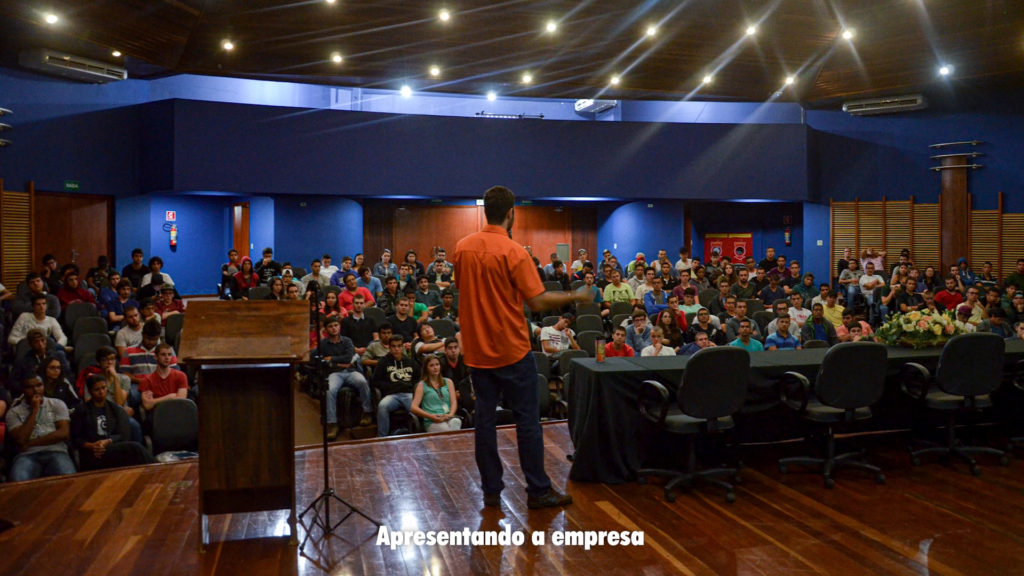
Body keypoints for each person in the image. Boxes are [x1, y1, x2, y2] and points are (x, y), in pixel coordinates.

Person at [453, 186, 591, 510]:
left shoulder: (461, 248)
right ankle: (538, 491)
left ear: (486, 210)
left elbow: (463, 288)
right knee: (527, 421)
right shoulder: (514, 252)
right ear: (511, 212)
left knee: (484, 421)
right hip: (512, 350)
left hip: (477, 352)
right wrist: (576, 296)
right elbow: (538, 300)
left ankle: (490, 492)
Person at [71, 375, 154, 471]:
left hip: (110, 447)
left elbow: (121, 434)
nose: (101, 392)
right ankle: (160, 468)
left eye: (103, 388)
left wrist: (107, 441)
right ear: (90, 392)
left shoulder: (114, 408)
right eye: (96, 389)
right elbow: (75, 438)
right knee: (135, 449)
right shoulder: (81, 410)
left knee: (135, 450)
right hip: (91, 452)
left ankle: (157, 471)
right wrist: (92, 446)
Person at [5, 375, 76, 482]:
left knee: (70, 478)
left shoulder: (57, 404)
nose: (36, 390)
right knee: (18, 479)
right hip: (27, 455)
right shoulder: (14, 412)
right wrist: (34, 410)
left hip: (56, 451)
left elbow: (63, 433)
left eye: (39, 385)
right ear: (23, 390)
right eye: (30, 387)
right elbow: (21, 439)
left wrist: (30, 444)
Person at [320, 317, 372, 438]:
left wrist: (331, 358)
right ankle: (332, 424)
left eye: (336, 325)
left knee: (363, 381)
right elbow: (320, 360)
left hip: (350, 371)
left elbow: (348, 358)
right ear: (326, 330)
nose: (334, 328)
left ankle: (368, 412)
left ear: (339, 327)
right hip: (334, 373)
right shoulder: (323, 344)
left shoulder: (347, 341)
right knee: (330, 390)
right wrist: (337, 363)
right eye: (330, 326)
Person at [371, 336, 420, 437]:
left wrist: (410, 387)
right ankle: (382, 438)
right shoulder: (383, 362)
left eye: (399, 346)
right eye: (393, 346)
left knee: (417, 408)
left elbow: (419, 379)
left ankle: (419, 434)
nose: (396, 349)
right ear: (389, 347)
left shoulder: (410, 362)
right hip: (392, 395)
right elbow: (375, 381)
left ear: (403, 347)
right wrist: (390, 386)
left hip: (408, 394)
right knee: (382, 406)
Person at [8, 330, 71, 397]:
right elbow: (13, 382)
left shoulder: (58, 356)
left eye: (42, 340)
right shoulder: (22, 362)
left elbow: (68, 375)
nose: (40, 344)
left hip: (57, 392)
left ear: (46, 341)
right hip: (33, 395)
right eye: (36, 341)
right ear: (30, 344)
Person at [410, 356, 462, 433]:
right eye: (432, 365)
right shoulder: (422, 385)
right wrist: (430, 416)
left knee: (456, 421)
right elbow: (413, 407)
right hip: (433, 420)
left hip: (448, 417)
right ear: (426, 368)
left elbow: (454, 402)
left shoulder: (449, 382)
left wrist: (450, 415)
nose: (435, 367)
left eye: (437, 364)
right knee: (446, 429)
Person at [139, 343, 189, 415]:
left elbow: (181, 400)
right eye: (163, 354)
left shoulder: (181, 376)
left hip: (177, 413)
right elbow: (147, 405)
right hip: (158, 415)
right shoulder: (147, 380)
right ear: (155, 357)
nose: (167, 357)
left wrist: (154, 401)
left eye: (169, 354)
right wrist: (170, 397)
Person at [119, 320, 172, 384]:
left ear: (159, 336)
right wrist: (141, 381)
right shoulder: (128, 351)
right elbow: (125, 374)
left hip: (162, 384)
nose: (151, 342)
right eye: (148, 338)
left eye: (155, 339)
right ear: (142, 334)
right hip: (137, 384)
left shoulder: (168, 351)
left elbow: (174, 372)